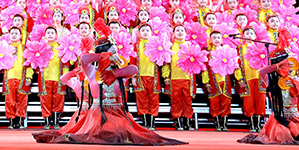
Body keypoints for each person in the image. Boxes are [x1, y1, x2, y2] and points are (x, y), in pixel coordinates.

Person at [32, 36, 186, 145]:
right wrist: (105, 57)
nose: (115, 55)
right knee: (95, 135)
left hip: (117, 113)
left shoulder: (120, 73)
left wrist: (114, 73)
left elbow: (134, 69)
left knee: (122, 135)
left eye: (115, 53)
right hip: (97, 114)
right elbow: (84, 59)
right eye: (112, 52)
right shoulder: (92, 71)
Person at [239, 56, 299, 145]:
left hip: (294, 117)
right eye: (286, 66)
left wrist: (295, 84)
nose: (288, 70)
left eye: (290, 67)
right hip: (277, 118)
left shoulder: (295, 80)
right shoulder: (272, 81)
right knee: (281, 135)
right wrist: (278, 65)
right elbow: (261, 71)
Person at [162, 24, 196, 131]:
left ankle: (187, 122)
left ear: (186, 33)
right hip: (174, 79)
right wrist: (166, 77)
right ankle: (178, 122)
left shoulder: (190, 46)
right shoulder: (170, 46)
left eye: (182, 30)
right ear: (173, 33)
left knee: (188, 101)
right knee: (176, 101)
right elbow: (166, 64)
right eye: (177, 30)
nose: (180, 32)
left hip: (188, 78)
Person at [3, 27, 33, 129]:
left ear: (20, 36)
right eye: (12, 33)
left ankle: (19, 121)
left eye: (16, 33)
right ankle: (11, 121)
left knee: (22, 100)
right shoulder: (5, 49)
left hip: (22, 78)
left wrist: (28, 77)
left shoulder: (25, 49)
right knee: (10, 100)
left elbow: (29, 64)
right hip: (9, 78)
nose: (14, 35)